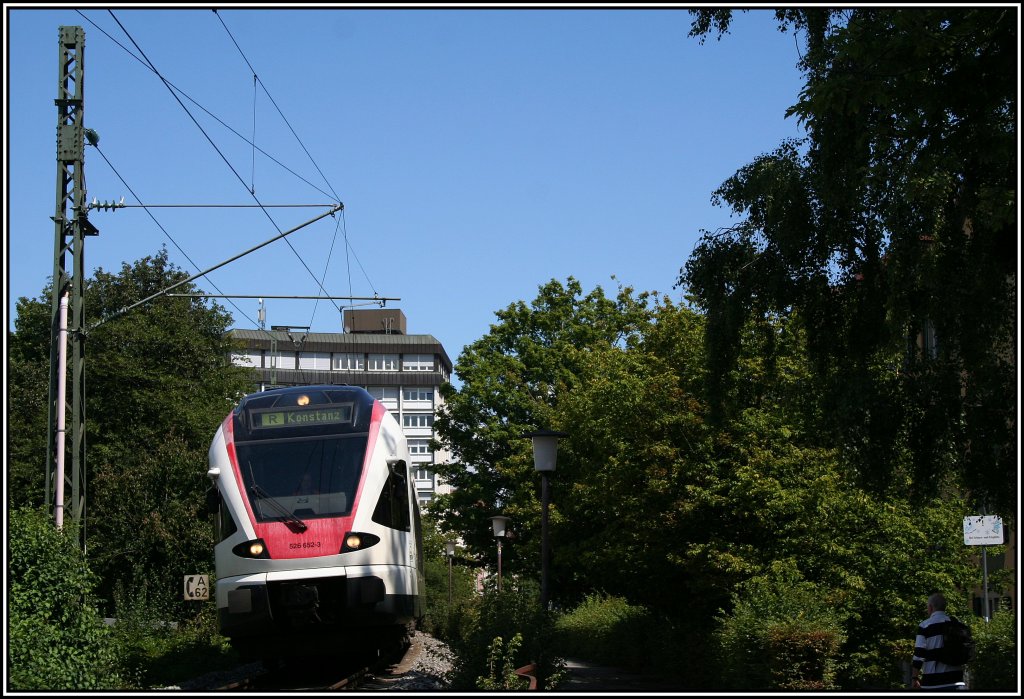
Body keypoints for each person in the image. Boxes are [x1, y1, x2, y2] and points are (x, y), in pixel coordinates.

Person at [911, 593, 966, 690]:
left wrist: (915, 677)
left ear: (931, 607)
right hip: (957, 682)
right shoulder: (957, 625)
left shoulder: (925, 626)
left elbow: (919, 655)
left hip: (933, 683)